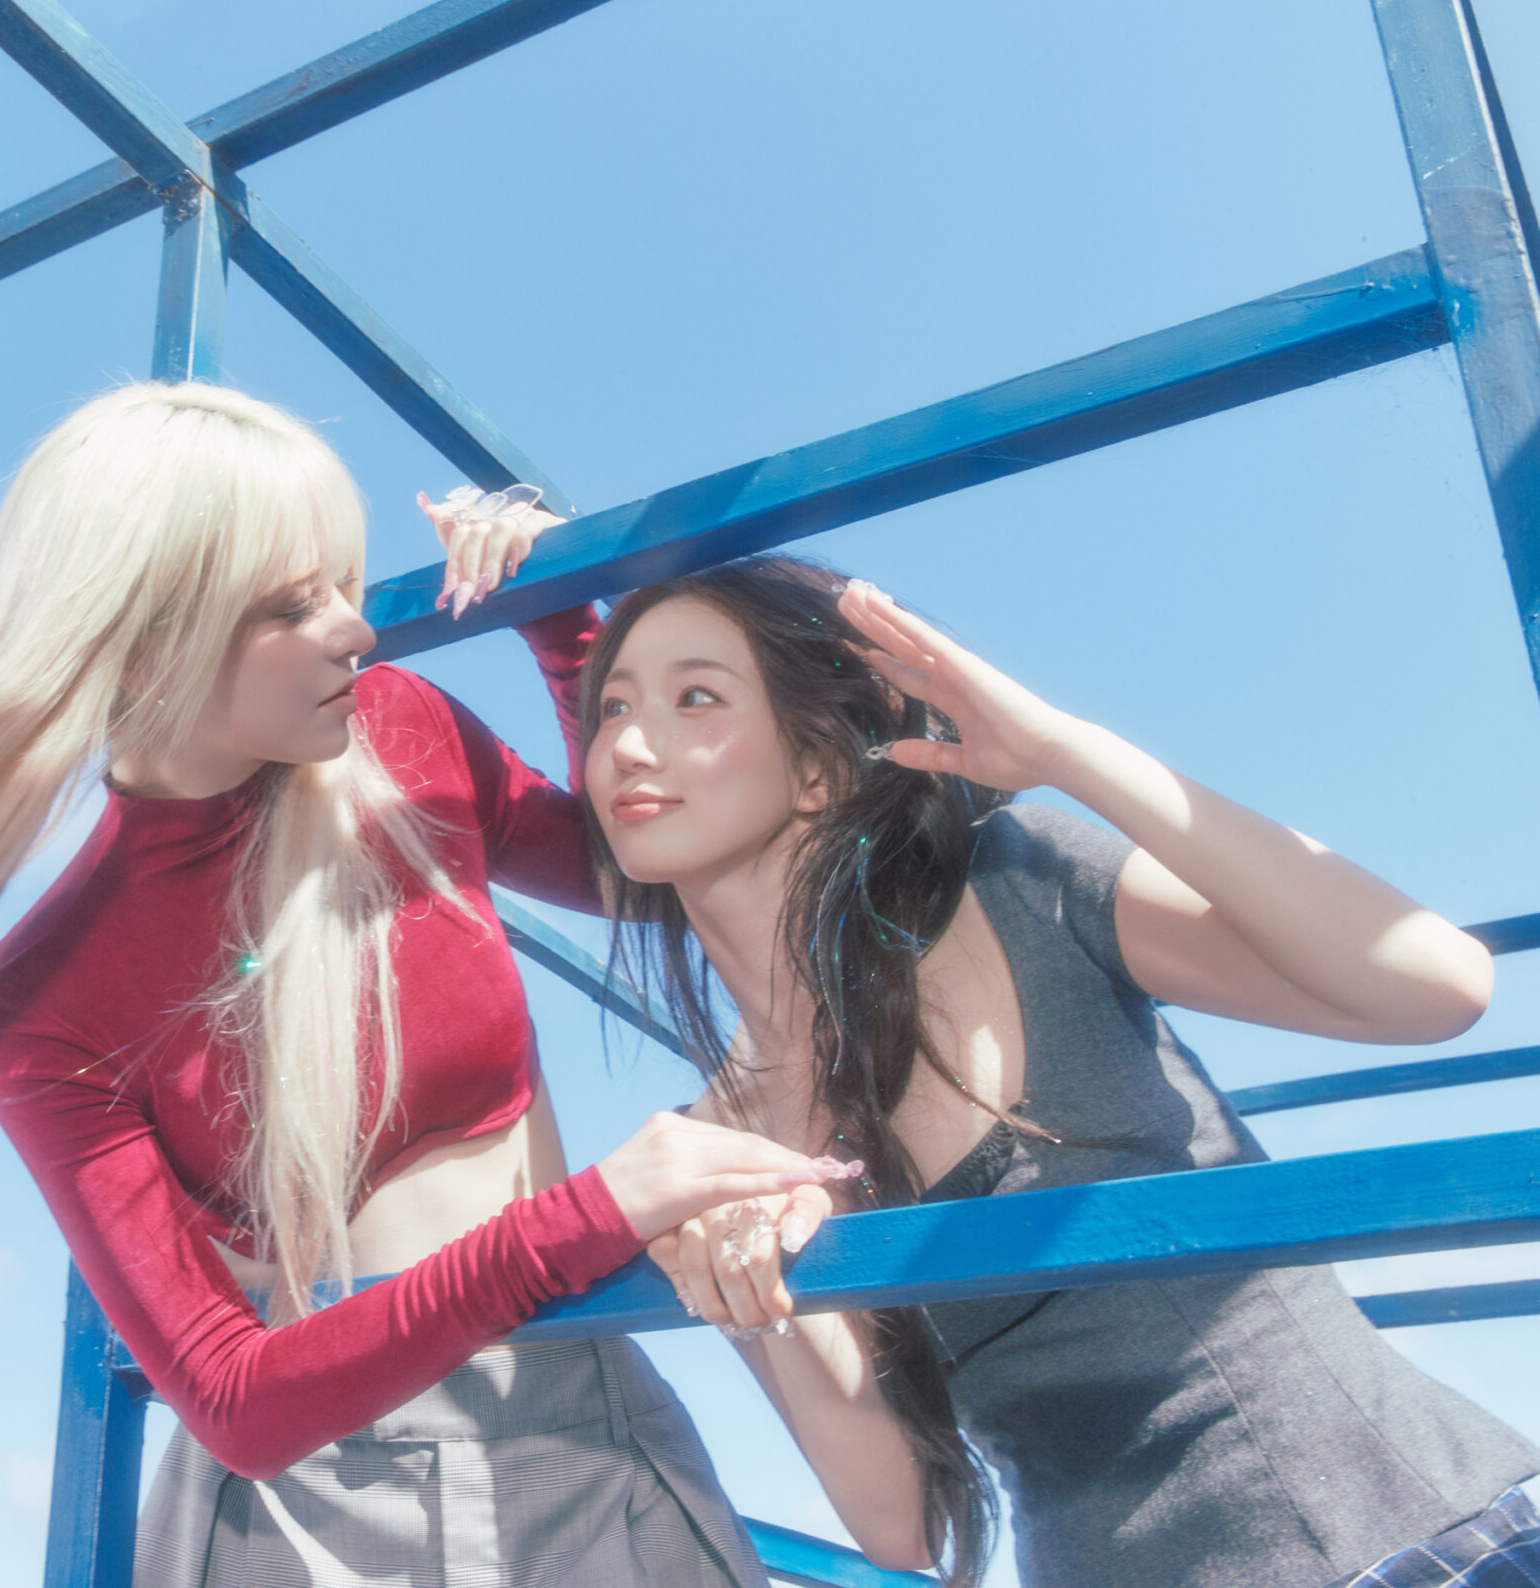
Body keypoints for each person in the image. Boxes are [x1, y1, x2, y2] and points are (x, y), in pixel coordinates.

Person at [0, 383, 849, 1585]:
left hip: (583, 1408)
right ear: (148, 635)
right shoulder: (33, 1002)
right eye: (294, 605)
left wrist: (563, 623)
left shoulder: (400, 728)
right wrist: (590, 1215)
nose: (357, 631)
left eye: (345, 585)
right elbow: (234, 1399)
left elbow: (637, 876)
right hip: (314, 1513)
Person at [573, 554, 1538, 1588]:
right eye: (612, 708)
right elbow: (902, 1525)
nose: (627, 745)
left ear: (817, 768)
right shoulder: (711, 1144)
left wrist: (1066, 753)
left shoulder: (1018, 880)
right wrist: (756, 1290)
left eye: (696, 698)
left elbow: (1436, 987)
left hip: (1422, 1534)